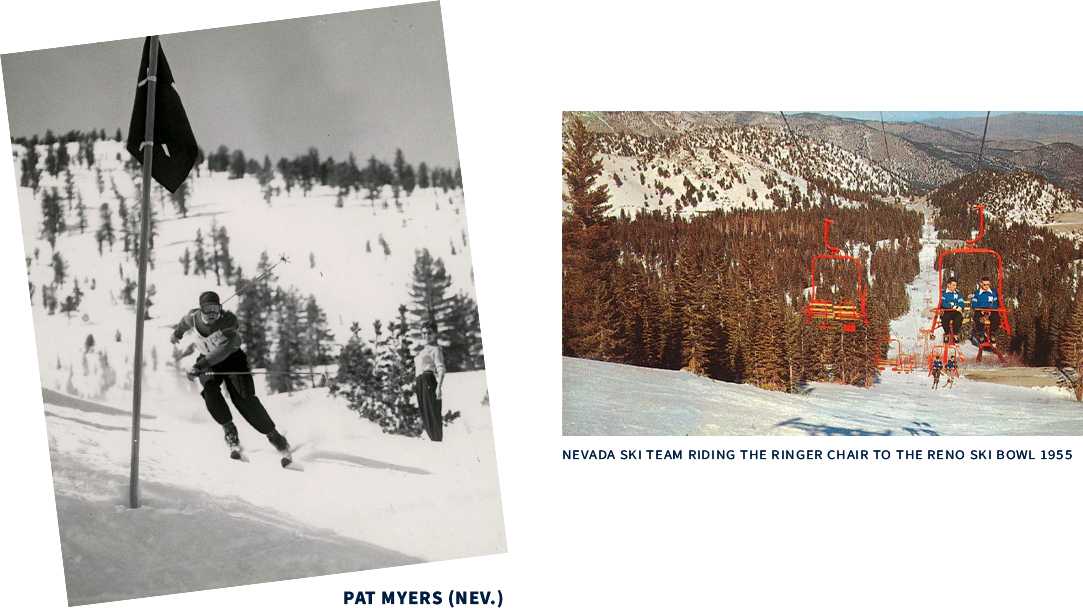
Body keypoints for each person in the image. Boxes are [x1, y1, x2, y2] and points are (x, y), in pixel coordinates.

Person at [170, 291, 292, 463]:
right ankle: (230, 432)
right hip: (208, 361)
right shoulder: (193, 317)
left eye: (215, 308)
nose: (212, 313)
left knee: (243, 398)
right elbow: (183, 323)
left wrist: (198, 366)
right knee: (210, 391)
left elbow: (223, 350)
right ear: (200, 309)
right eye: (207, 309)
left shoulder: (229, 320)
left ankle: (274, 435)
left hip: (232, 359)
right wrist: (177, 334)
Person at [413, 321, 446, 442]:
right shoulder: (422, 351)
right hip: (420, 382)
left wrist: (439, 387)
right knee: (425, 417)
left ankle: (438, 445)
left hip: (428, 381)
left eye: (429, 333)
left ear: (435, 334)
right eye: (423, 333)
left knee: (432, 416)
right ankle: (434, 445)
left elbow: (441, 368)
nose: (426, 335)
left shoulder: (435, 350)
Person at [970, 276, 1002, 345]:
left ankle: (992, 333)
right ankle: (981, 333)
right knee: (978, 318)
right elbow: (974, 304)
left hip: (991, 310)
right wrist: (981, 309)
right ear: (981, 284)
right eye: (984, 284)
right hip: (980, 310)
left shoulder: (993, 292)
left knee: (996, 318)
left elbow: (996, 303)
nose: (986, 286)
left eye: (988, 284)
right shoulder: (977, 293)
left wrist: (990, 310)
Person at [939, 277, 965, 344]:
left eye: (956, 285)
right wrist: (952, 306)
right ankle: (947, 333)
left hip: (955, 312)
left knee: (959, 317)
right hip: (946, 311)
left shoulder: (957, 294)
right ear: (948, 285)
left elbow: (961, 303)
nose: (955, 287)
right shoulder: (944, 293)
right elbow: (943, 303)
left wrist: (956, 305)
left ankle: (955, 334)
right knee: (945, 317)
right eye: (953, 285)